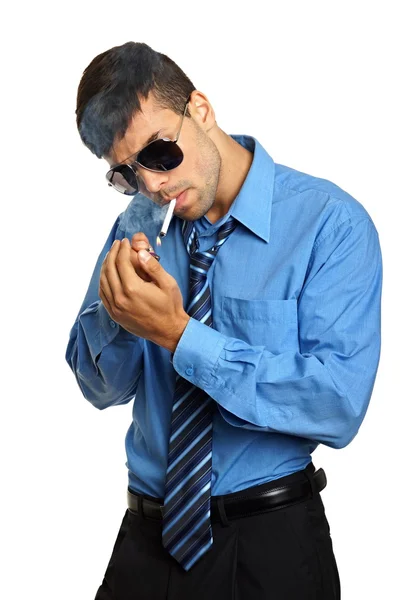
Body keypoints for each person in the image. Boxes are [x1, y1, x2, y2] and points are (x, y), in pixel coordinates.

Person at [65, 41, 382, 600]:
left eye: (160, 154)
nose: (153, 185)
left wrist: (180, 335)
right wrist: (118, 316)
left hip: (272, 547)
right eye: (125, 175)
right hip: (146, 543)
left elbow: (338, 405)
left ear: (201, 110)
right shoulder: (139, 227)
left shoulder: (330, 224)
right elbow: (100, 389)